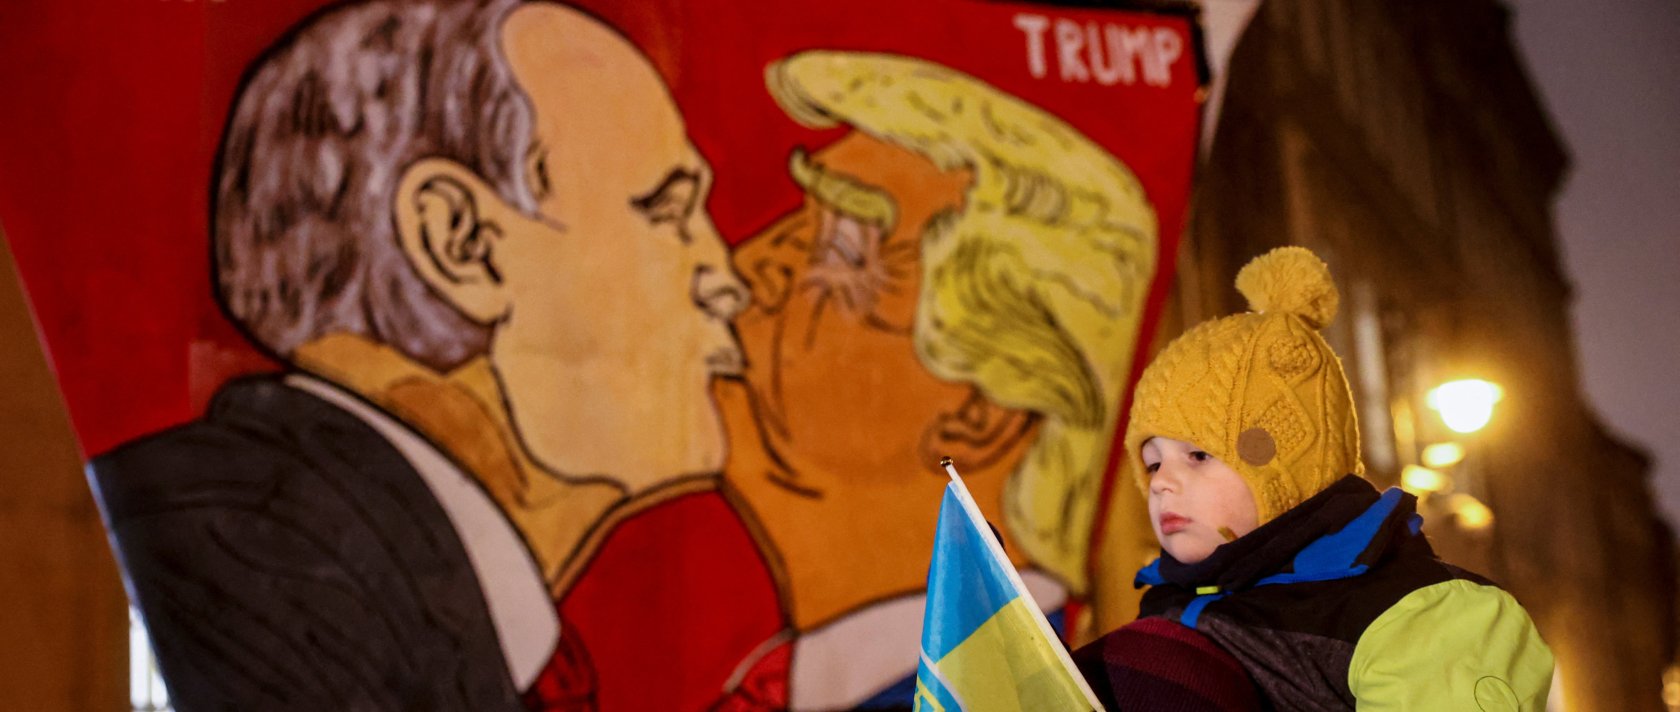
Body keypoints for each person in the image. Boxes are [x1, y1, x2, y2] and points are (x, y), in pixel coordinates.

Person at [89, 0, 748, 708]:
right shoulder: (265, 589)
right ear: (461, 242)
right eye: (667, 211)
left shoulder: (352, 581)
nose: (727, 282)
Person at [1080, 246, 1554, 709]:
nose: (1161, 482)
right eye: (1154, 462)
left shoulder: (1421, 616)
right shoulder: (1170, 608)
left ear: (1286, 466)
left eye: (1199, 455)